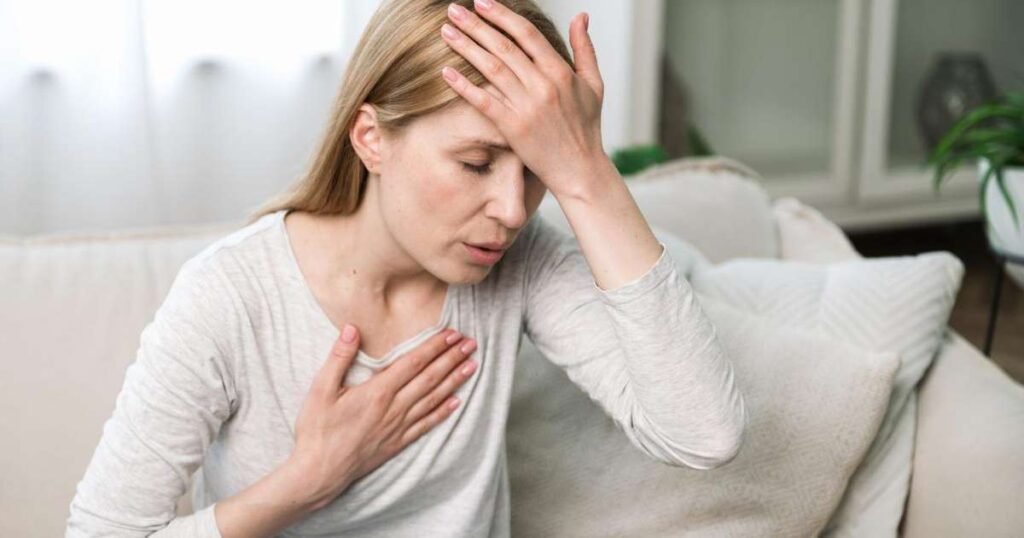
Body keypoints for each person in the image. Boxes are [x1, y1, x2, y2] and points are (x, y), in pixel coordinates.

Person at [66, 0, 747, 536]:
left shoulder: (524, 259)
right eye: (476, 164)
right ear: (371, 139)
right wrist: (308, 481)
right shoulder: (230, 297)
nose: (511, 209)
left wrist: (587, 176)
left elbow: (704, 434)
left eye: (537, 170)